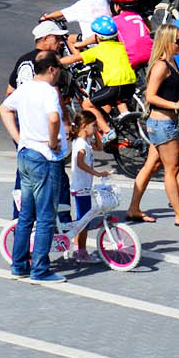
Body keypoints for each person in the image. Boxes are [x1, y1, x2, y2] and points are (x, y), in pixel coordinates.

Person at [0, 50, 70, 283]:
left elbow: (4, 109)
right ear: (51, 69)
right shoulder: (48, 91)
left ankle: (19, 266)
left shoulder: (25, 88)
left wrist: (19, 138)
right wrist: (52, 141)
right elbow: (53, 118)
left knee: (26, 215)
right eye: (58, 70)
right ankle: (40, 269)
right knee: (45, 217)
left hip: (26, 153)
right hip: (45, 156)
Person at [126, 24, 179, 227]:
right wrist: (175, 105)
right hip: (163, 124)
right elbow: (151, 96)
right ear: (167, 42)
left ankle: (134, 208)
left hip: (164, 123)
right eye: (178, 41)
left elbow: (173, 91)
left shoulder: (172, 63)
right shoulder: (161, 66)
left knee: (152, 165)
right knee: (171, 168)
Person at [66, 15, 136, 143]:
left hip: (115, 86)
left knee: (87, 104)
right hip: (131, 84)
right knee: (108, 102)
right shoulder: (121, 46)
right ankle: (123, 117)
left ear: (98, 38)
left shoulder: (98, 50)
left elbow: (74, 58)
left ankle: (108, 132)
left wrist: (56, 62)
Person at [67, 111, 110, 263]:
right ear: (84, 126)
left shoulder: (85, 143)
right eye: (93, 125)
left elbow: (100, 146)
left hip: (84, 187)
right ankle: (81, 252)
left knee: (82, 220)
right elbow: (80, 162)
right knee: (84, 222)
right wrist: (97, 173)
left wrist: (97, 132)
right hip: (81, 188)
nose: (96, 128)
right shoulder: (80, 144)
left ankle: (78, 247)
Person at [109, 0, 153, 66]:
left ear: (118, 6)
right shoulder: (139, 17)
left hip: (132, 59)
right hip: (151, 54)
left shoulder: (116, 20)